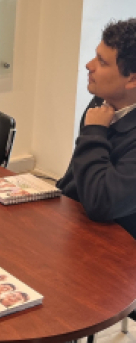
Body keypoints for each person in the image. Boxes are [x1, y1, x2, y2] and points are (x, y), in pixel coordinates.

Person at [57, 19, 136, 224]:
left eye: (102, 62)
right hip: (75, 219)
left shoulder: (97, 120)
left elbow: (102, 203)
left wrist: (94, 131)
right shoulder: (102, 101)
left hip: (116, 239)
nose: (89, 65)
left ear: (132, 79)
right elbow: (75, 178)